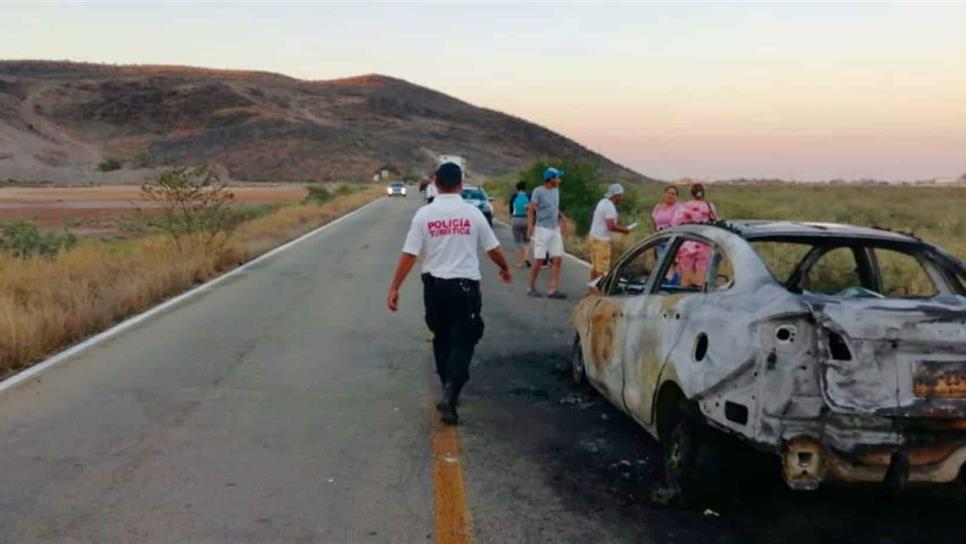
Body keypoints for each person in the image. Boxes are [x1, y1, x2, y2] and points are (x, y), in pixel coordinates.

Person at [387, 162, 512, 425]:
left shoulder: (424, 215)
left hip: (433, 287)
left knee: (441, 337)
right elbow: (493, 249)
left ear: (435, 182)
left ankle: (448, 387)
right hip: (464, 286)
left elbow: (409, 254)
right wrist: (504, 268)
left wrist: (395, 287)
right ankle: (451, 394)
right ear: (460, 183)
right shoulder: (472, 214)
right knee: (464, 339)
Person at [526, 167, 567, 299]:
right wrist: (530, 225)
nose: (559, 180)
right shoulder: (538, 191)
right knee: (540, 259)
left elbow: (553, 207)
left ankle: (552, 289)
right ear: (551, 179)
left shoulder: (556, 191)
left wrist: (561, 215)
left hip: (555, 228)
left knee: (557, 258)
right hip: (542, 228)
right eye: (557, 178)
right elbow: (531, 209)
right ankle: (531, 286)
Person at [672, 183, 719, 288]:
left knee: (685, 279)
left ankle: (685, 298)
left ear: (691, 193)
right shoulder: (710, 206)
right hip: (705, 244)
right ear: (703, 193)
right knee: (701, 280)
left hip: (687, 244)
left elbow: (675, 224)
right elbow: (716, 223)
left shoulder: (684, 207)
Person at [588, 183, 631, 282]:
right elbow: (610, 226)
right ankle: (598, 290)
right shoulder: (610, 207)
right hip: (602, 240)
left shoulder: (602, 202)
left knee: (595, 266)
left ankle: (591, 290)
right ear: (617, 195)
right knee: (602, 269)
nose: (621, 198)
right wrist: (625, 230)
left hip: (593, 237)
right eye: (621, 195)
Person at [508, 181, 532, 268]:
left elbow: (511, 210)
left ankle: (519, 262)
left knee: (517, 241)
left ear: (517, 188)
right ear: (525, 188)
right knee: (527, 241)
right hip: (526, 219)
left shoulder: (514, 197)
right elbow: (531, 210)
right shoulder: (529, 196)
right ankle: (526, 257)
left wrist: (511, 219)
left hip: (516, 219)